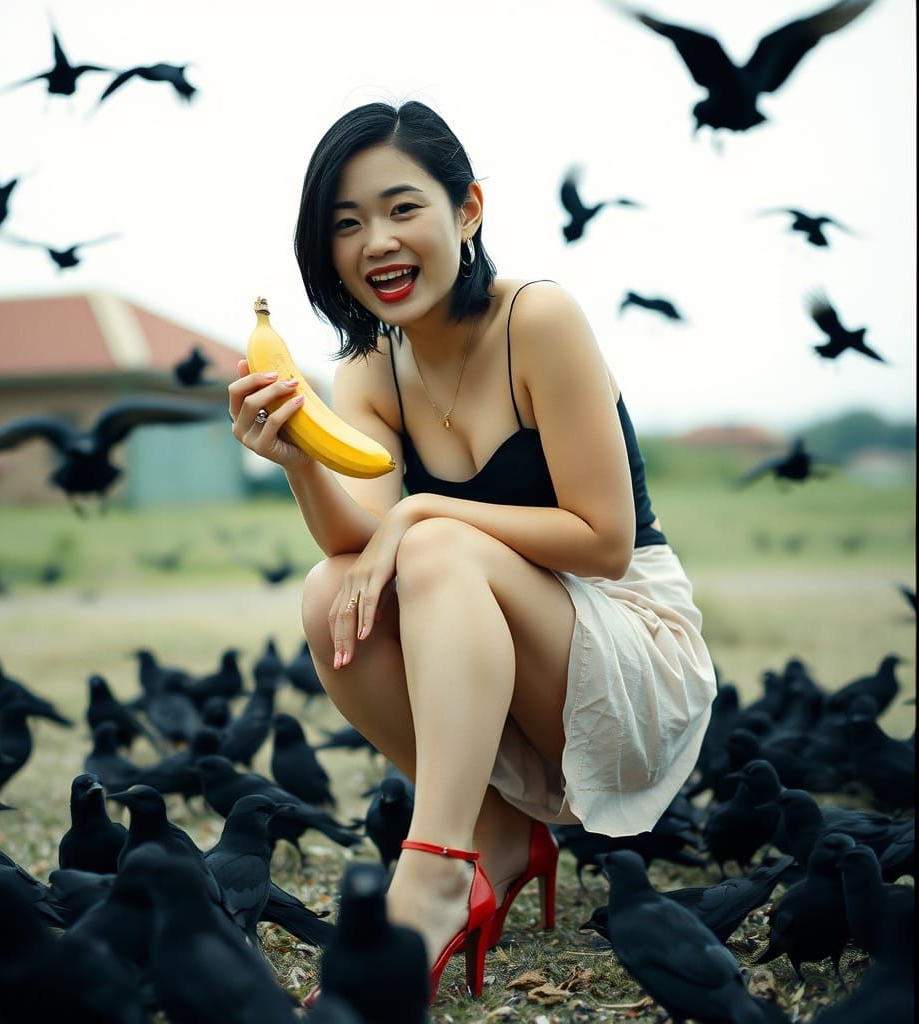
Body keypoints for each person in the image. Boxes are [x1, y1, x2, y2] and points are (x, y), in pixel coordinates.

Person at [228, 99, 717, 1003]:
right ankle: (495, 833)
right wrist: (299, 460)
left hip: (633, 642)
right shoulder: (371, 368)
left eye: (402, 207)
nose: (376, 240)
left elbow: (605, 542)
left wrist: (423, 518)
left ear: (468, 210)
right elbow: (360, 547)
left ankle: (434, 870)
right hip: (507, 640)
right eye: (346, 222)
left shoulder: (538, 319)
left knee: (436, 544)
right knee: (325, 589)